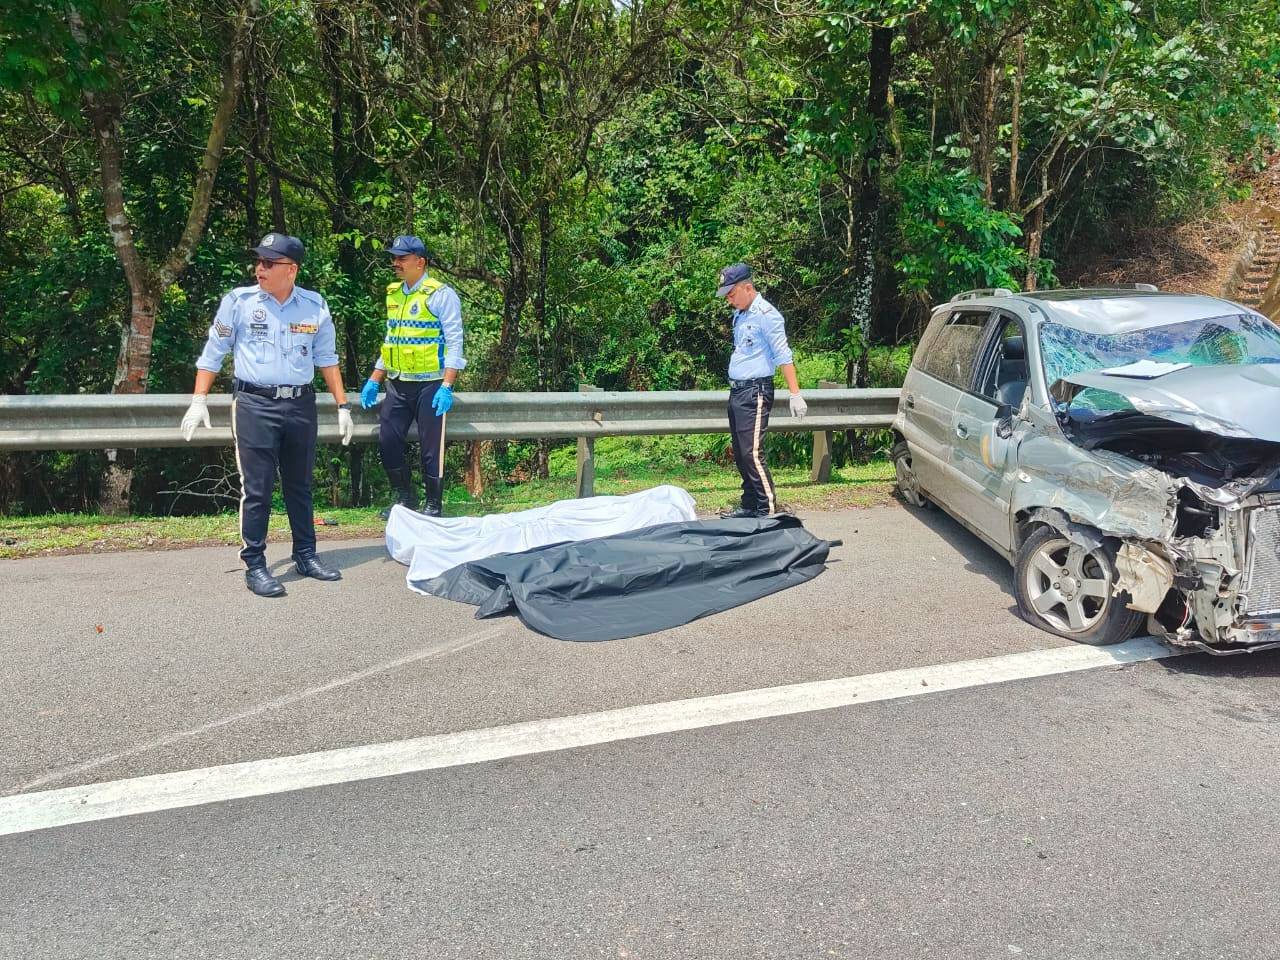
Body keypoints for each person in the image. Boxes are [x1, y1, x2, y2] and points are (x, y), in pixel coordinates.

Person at [179, 233, 354, 598]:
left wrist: (342, 406)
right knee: (257, 489)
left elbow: (327, 358)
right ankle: (255, 564)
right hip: (255, 404)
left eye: (269, 263)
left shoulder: (314, 305)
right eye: (259, 262)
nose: (260, 268)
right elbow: (213, 354)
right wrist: (199, 400)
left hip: (300, 404)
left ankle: (306, 554)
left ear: (291, 270)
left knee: (300, 485)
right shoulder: (239, 303)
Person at [358, 235, 466, 519]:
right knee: (388, 440)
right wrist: (375, 378)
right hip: (398, 382)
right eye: (394, 258)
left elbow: (455, 341)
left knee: (431, 448)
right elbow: (391, 340)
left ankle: (434, 504)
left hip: (431, 383)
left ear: (420, 262)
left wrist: (448, 384)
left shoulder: (441, 294)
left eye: (401, 258)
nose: (395, 263)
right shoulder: (395, 293)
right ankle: (404, 497)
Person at [716, 262, 807, 518]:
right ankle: (749, 505)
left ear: (747, 287)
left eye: (731, 295)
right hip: (737, 391)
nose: (729, 301)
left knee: (752, 453)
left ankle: (767, 510)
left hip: (755, 391)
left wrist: (795, 393)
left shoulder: (767, 315)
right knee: (741, 453)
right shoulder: (741, 315)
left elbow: (783, 354)